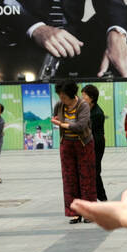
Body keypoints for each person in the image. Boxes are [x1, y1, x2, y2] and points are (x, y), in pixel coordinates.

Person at [53, 81, 96, 223]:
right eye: (60, 96)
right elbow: (55, 116)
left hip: (83, 144)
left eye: (64, 96)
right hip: (66, 144)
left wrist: (62, 124)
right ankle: (74, 212)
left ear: (72, 95)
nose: (61, 99)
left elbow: (80, 126)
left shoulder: (83, 105)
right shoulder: (59, 105)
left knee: (86, 177)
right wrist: (56, 120)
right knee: (69, 178)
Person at [83, 84, 108, 201]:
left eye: (84, 96)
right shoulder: (87, 109)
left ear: (92, 97)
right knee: (92, 171)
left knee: (95, 171)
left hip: (97, 144)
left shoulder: (97, 113)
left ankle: (102, 197)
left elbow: (90, 130)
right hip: (90, 143)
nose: (82, 98)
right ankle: (100, 196)